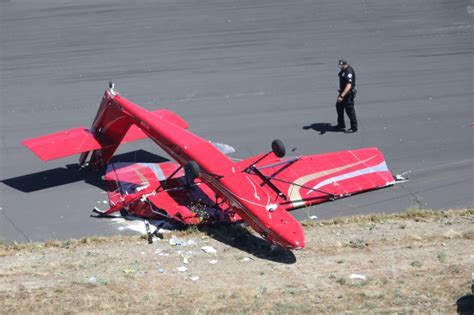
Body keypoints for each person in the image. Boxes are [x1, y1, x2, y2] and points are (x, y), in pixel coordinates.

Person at [336, 59, 358, 133]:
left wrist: (341, 96)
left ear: (345, 64)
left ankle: (354, 127)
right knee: (338, 106)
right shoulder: (343, 70)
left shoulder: (349, 72)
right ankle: (341, 125)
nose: (340, 67)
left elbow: (348, 86)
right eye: (340, 65)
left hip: (348, 94)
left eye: (341, 65)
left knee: (349, 110)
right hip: (343, 92)